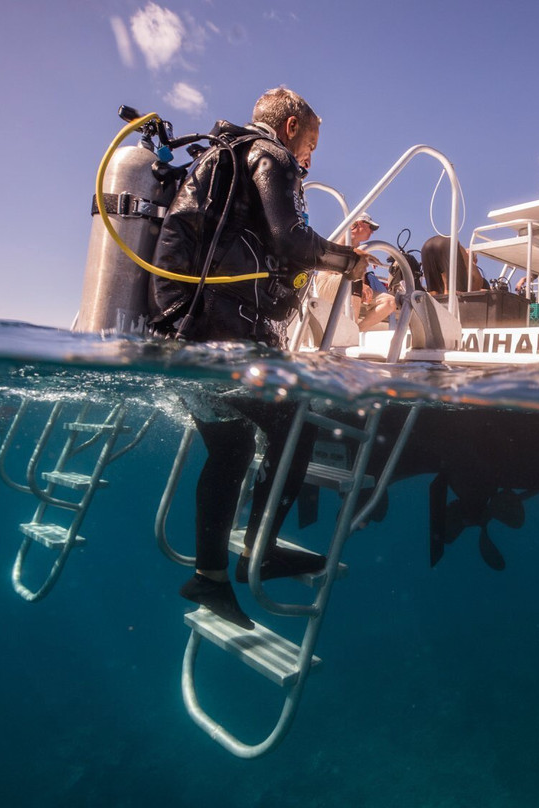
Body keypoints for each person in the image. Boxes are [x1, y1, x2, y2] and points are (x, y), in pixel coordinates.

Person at [149, 86, 371, 630]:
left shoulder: (220, 158)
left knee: (230, 448)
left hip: (181, 329)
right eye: (312, 144)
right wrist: (350, 261)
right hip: (220, 335)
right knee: (294, 425)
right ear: (291, 126)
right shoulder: (269, 154)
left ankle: (209, 576)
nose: (310, 158)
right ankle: (262, 549)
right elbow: (290, 241)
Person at [420, 236, 487, 294]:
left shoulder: (463, 261)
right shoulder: (478, 279)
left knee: (433, 294)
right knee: (454, 293)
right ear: (475, 260)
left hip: (426, 246)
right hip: (448, 244)